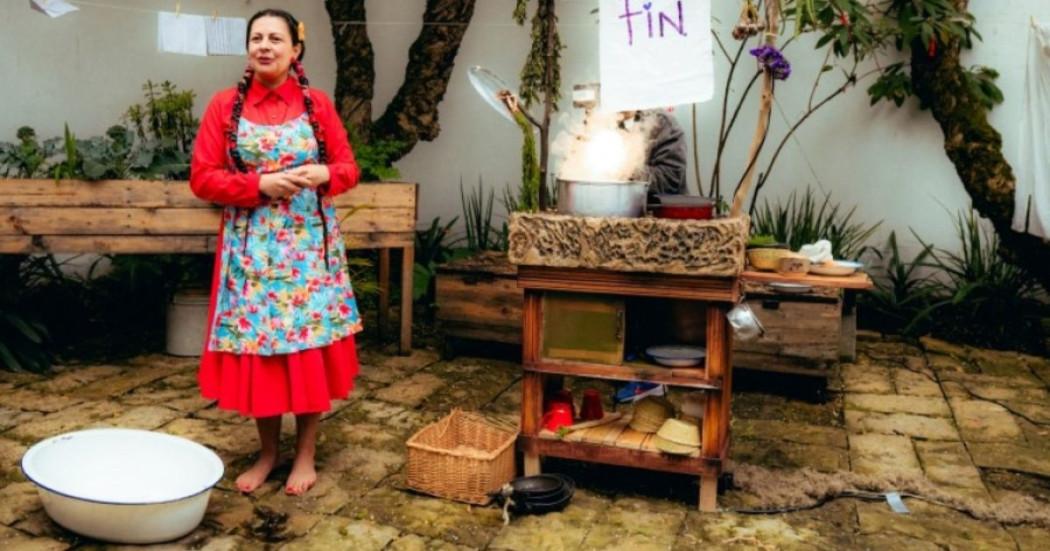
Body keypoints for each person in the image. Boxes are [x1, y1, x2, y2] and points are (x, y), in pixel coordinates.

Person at [189, 8, 362, 496]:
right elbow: (202, 178)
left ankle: (305, 453)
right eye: (256, 38)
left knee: (307, 349)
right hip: (251, 251)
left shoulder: (318, 106)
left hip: (309, 248)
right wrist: (257, 183)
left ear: (295, 50)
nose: (264, 46)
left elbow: (348, 167)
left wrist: (326, 175)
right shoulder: (224, 106)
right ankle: (268, 453)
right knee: (260, 350)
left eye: (275, 39)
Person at [622, 109, 688, 197]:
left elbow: (670, 179)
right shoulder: (603, 122)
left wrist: (627, 171)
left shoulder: (662, 123)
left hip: (659, 207)